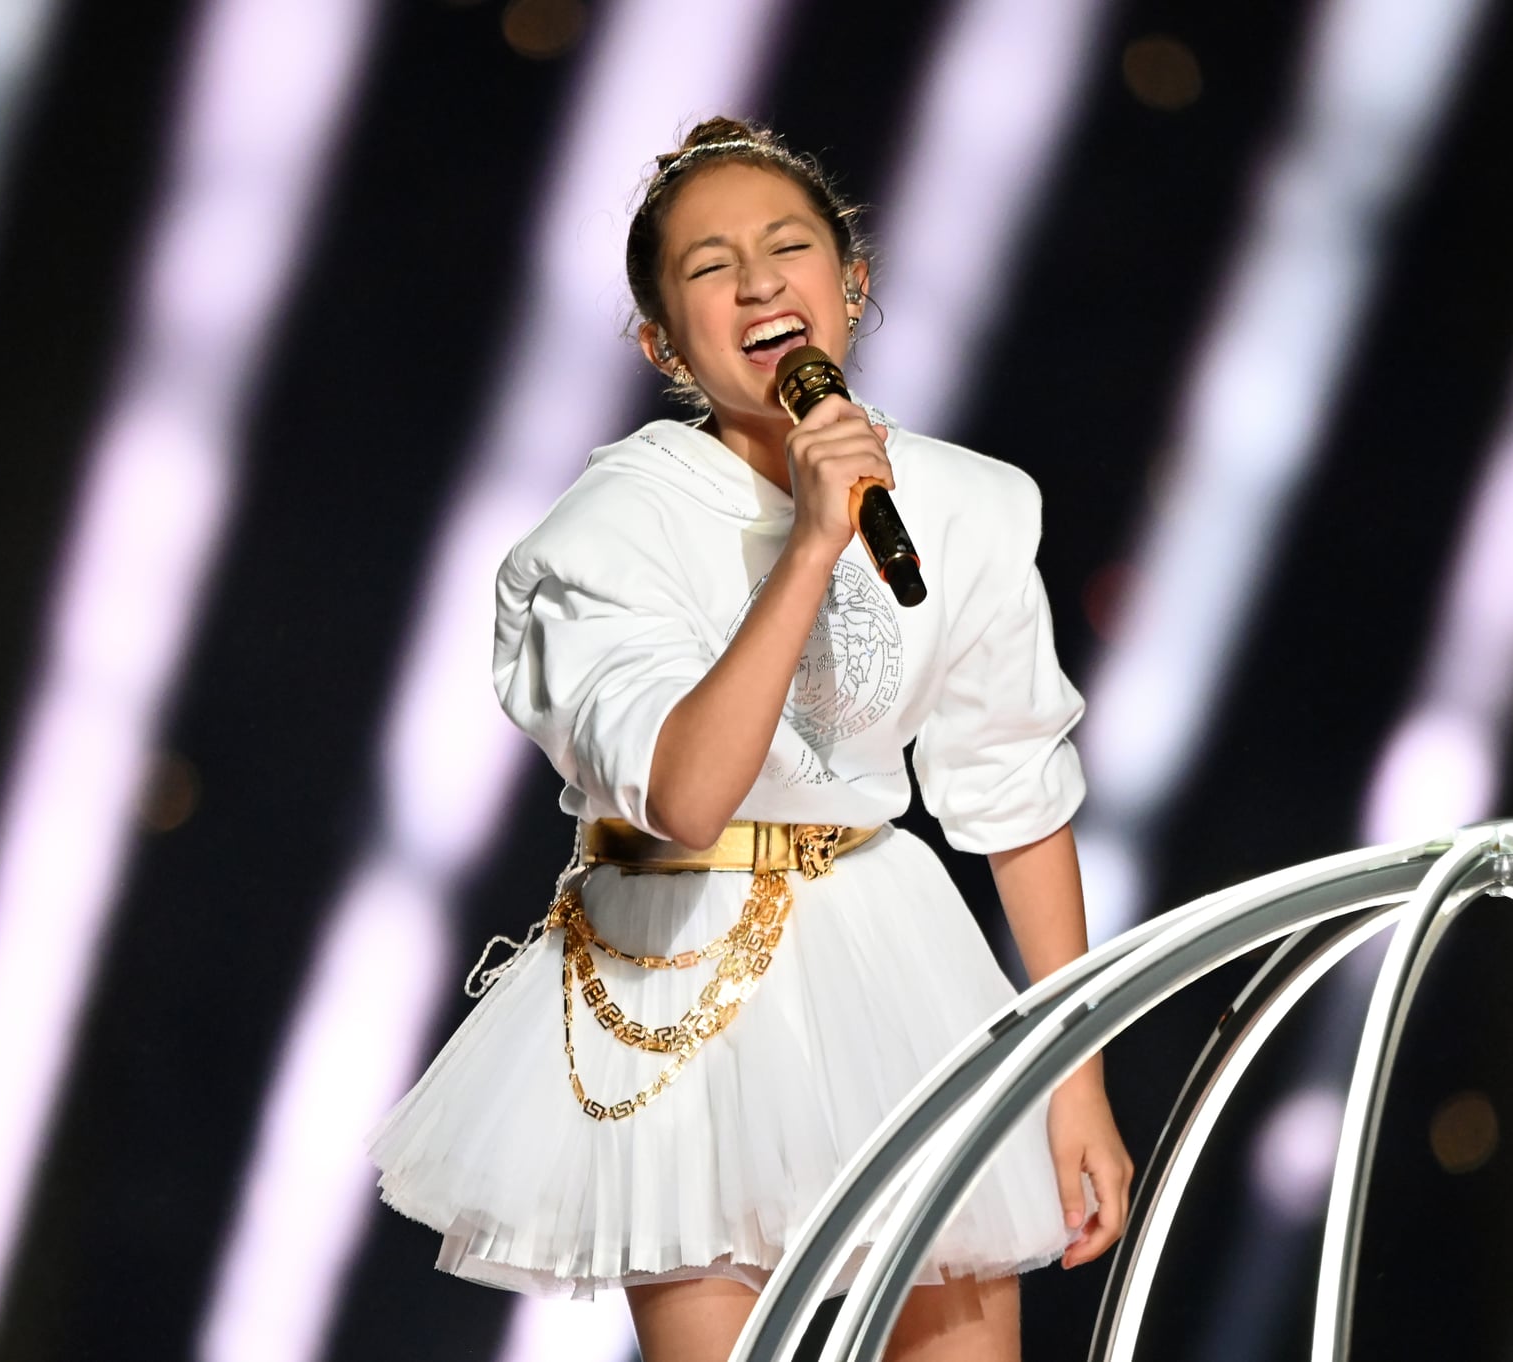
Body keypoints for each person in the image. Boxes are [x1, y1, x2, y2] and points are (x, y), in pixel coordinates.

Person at [369, 117, 1133, 1362]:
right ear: (660, 340)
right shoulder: (606, 535)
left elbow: (1014, 795)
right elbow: (687, 791)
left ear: (851, 281)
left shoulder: (970, 504)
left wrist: (1074, 1080)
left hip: (892, 950)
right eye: (710, 267)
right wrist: (813, 543)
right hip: (671, 963)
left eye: (788, 247)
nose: (760, 280)